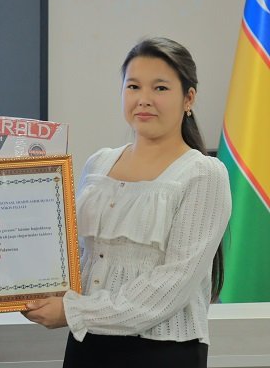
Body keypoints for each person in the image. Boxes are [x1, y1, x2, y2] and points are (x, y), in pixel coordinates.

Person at [23, 37, 231, 368]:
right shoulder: (99, 163)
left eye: (160, 88)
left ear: (188, 98)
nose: (143, 99)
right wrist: (29, 287)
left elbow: (172, 286)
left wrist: (74, 311)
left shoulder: (204, 174)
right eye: (133, 86)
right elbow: (80, 257)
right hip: (87, 344)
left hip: (162, 352)